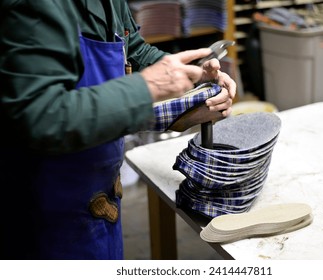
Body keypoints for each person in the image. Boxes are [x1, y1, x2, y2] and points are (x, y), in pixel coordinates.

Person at [0, 0, 236, 259]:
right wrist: (148, 87)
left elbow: (132, 49)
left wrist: (190, 75)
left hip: (101, 196)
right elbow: (42, 115)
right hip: (48, 208)